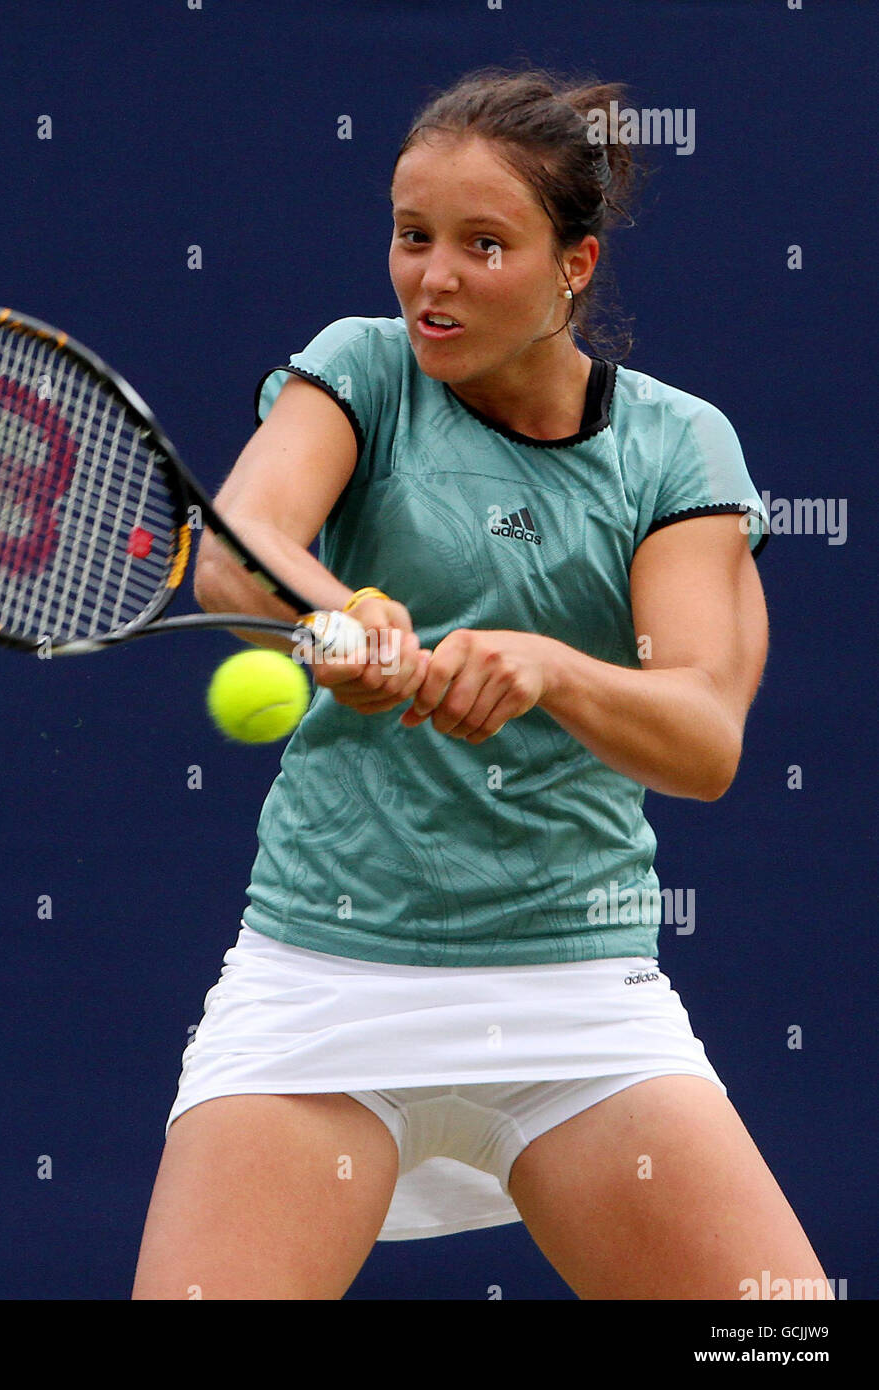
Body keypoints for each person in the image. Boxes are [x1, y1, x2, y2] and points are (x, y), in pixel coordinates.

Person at [132, 66, 830, 1301]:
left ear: (575, 265)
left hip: (577, 999)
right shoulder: (361, 368)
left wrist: (549, 667)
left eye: (483, 244)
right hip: (324, 980)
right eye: (412, 237)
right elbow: (237, 558)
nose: (432, 279)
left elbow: (704, 736)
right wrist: (342, 615)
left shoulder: (675, 446)